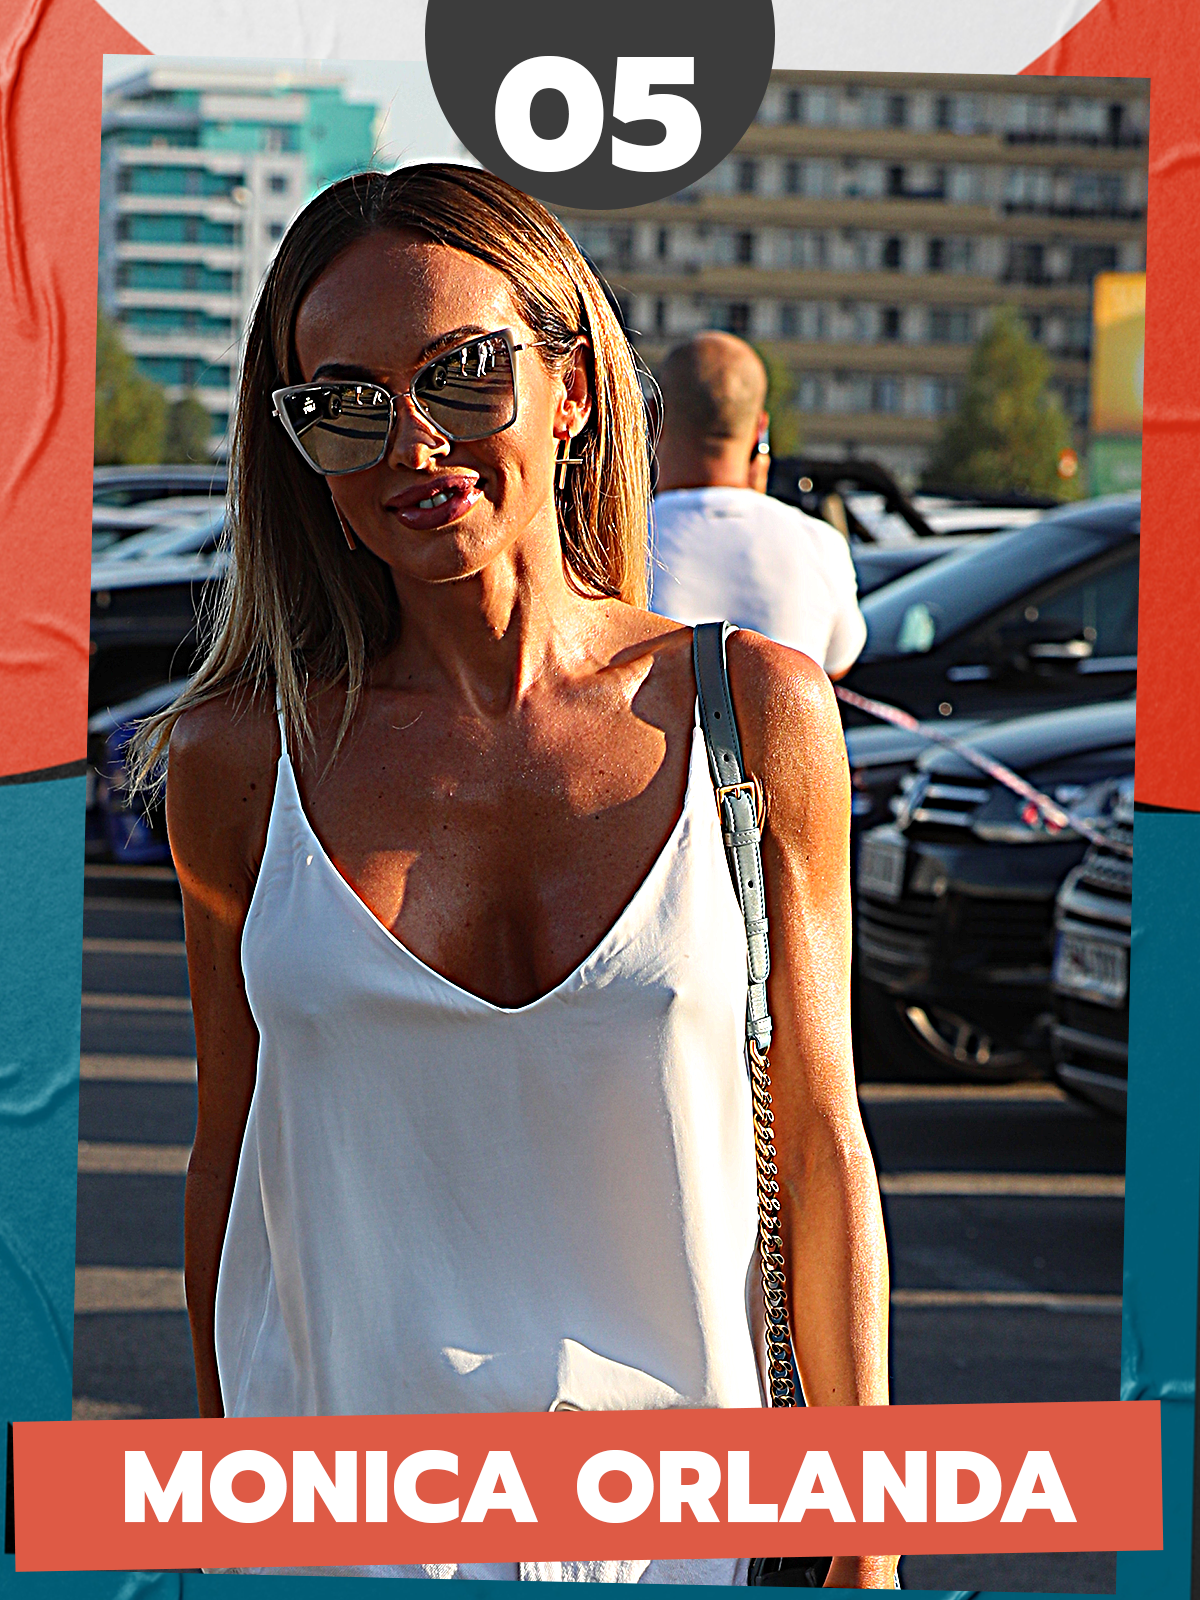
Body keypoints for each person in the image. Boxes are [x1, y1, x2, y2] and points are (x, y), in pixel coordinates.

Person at [133, 163, 896, 1588]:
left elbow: (819, 1141)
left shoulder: (753, 715)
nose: (413, 442)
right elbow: (230, 1156)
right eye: (344, 403)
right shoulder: (241, 759)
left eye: (463, 373)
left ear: (574, 387)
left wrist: (869, 1549)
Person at [649, 332, 868, 679]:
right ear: (761, 429)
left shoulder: (607, 542)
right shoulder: (820, 543)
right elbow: (837, 666)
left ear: (652, 415)